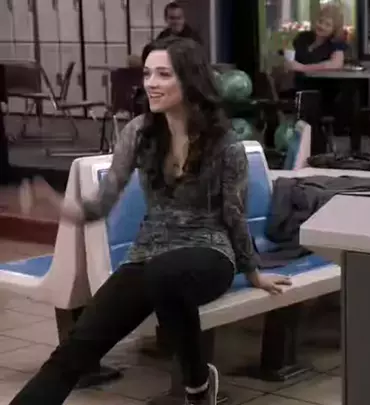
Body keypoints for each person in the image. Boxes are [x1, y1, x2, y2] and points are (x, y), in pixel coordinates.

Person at [10, 36, 290, 405]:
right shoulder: (139, 133)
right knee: (76, 348)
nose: (151, 83)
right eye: (147, 74)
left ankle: (195, 386)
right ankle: (200, 385)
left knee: (164, 275)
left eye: (163, 74)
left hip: (208, 253)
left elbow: (234, 215)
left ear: (190, 79)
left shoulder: (225, 144)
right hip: (148, 255)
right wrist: (56, 204)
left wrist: (252, 271)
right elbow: (100, 204)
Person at [285, 4, 347, 114]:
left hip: (321, 92)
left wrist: (303, 68)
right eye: (320, 21)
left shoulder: (336, 43)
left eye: (327, 24)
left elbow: (336, 64)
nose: (322, 26)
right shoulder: (303, 38)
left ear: (334, 29)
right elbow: (290, 55)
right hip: (298, 88)